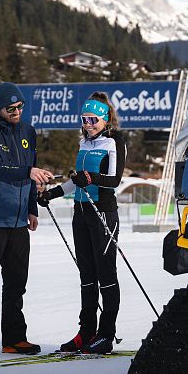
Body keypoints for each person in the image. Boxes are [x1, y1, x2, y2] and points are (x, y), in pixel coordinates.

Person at [0, 82, 54, 358]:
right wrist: (28, 171)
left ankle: (14, 338)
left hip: (17, 221)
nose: (16, 112)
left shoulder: (28, 131)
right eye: (10, 108)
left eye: (20, 107)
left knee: (16, 282)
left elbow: (31, 173)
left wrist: (31, 208)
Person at [38, 92, 127, 354]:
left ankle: (106, 333)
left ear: (105, 118)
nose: (88, 124)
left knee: (106, 274)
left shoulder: (114, 141)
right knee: (86, 276)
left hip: (103, 213)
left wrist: (89, 177)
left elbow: (113, 180)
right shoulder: (84, 143)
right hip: (81, 213)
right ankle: (86, 331)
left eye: (93, 119)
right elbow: (76, 180)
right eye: (84, 119)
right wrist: (52, 194)